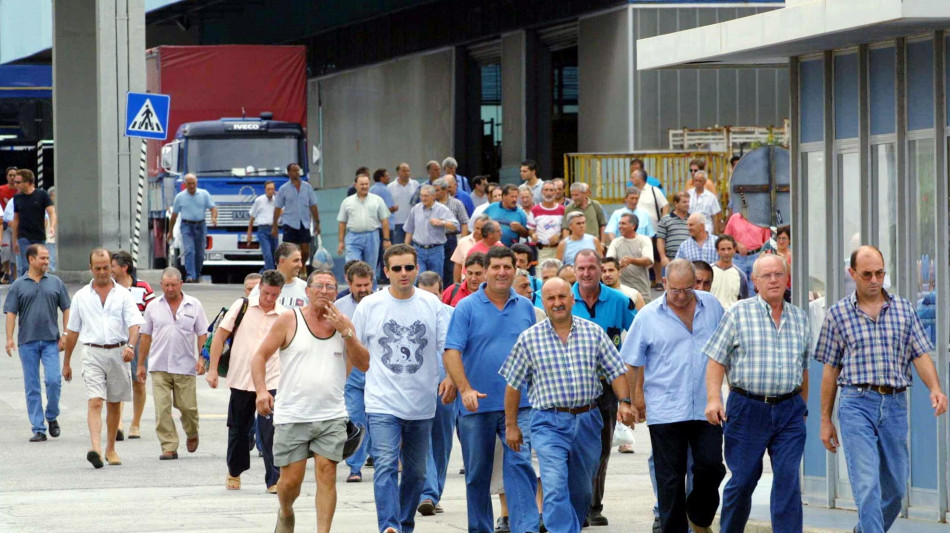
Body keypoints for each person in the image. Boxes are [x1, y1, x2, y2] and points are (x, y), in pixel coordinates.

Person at [814, 246, 948, 533]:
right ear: (852, 273)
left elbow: (920, 354)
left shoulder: (903, 309)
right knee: (866, 485)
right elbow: (830, 369)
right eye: (867, 274)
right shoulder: (838, 314)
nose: (874, 280)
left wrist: (935, 388)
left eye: (879, 273)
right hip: (856, 403)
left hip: (895, 404)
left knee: (896, 489)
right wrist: (825, 419)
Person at [500, 277, 634, 533]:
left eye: (562, 297)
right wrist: (511, 425)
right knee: (554, 483)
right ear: (543, 302)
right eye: (551, 298)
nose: (557, 303)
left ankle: (571, 525)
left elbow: (616, 371)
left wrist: (625, 402)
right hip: (547, 422)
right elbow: (513, 384)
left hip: (588, 420)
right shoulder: (529, 339)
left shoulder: (593, 332)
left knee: (582, 490)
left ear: (572, 299)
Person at [251, 268, 369, 533]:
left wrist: (347, 333)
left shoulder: (344, 324)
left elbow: (364, 363)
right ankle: (286, 511)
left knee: (327, 473)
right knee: (290, 482)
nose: (324, 291)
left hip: (331, 415)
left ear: (336, 293)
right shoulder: (289, 320)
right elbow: (259, 356)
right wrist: (261, 391)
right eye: (319, 286)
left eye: (330, 287)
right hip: (293, 414)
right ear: (307, 291)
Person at [703, 254, 812, 533]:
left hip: (789, 410)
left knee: (788, 481)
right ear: (755, 281)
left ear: (787, 279)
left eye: (779, 274)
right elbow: (715, 359)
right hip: (747, 409)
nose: (773, 280)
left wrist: (802, 407)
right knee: (743, 481)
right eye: (767, 275)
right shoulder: (738, 313)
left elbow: (804, 369)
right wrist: (714, 399)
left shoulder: (800, 318)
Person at [621, 259, 726, 533]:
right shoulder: (648, 316)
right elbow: (631, 362)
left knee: (712, 467)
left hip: (706, 406)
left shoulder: (712, 306)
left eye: (687, 289)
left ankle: (698, 517)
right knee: (670, 480)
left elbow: (727, 347)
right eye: (675, 289)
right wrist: (630, 400)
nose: (680, 296)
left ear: (695, 284)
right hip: (666, 408)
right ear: (664, 283)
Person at [352, 244, 452, 533]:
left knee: (416, 473)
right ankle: (389, 525)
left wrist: (449, 377)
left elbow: (447, 346)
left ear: (417, 268)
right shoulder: (370, 305)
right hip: (382, 402)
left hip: (422, 404)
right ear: (386, 271)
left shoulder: (431, 304)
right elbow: (354, 349)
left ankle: (404, 524)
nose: (403, 273)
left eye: (409, 267)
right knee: (385, 464)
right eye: (397, 268)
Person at [443, 246, 540, 533]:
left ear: (515, 270)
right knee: (477, 475)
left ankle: (525, 528)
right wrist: (465, 389)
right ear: (485, 271)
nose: (501, 272)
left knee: (521, 467)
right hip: (477, 407)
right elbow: (451, 352)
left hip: (520, 406)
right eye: (495, 267)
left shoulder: (525, 307)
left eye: (507, 267)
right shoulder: (466, 307)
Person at [63, 248, 145, 468]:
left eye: (106, 268)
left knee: (114, 403)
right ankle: (96, 449)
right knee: (95, 401)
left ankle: (111, 449)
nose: (102, 272)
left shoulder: (123, 295)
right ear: (90, 268)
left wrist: (131, 346)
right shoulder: (81, 296)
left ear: (112, 268)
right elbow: (73, 331)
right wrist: (66, 362)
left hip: (119, 352)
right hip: (92, 352)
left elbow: (135, 325)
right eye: (97, 268)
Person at [570, 249, 634, 526]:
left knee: (601, 449)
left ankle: (593, 506)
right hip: (570, 386)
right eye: (581, 268)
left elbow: (639, 335)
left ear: (601, 269)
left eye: (591, 268)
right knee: (572, 448)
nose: (586, 273)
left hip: (606, 386)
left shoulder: (619, 301)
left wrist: (631, 394)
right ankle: (576, 505)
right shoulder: (562, 299)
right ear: (574, 271)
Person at [206, 269, 286, 492]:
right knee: (239, 430)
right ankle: (235, 470)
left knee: (270, 430)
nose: (269, 298)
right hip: (241, 379)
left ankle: (274, 479)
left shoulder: (284, 315)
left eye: (274, 294)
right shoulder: (241, 306)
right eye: (266, 293)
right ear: (260, 287)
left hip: (271, 380)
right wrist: (212, 369)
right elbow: (220, 336)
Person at [136, 268, 209, 460]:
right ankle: (168, 445)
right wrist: (141, 364)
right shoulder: (153, 306)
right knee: (162, 409)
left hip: (185, 365)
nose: (170, 289)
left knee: (188, 408)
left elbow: (202, 333)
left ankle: (192, 432)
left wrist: (202, 359)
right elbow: (145, 336)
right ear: (161, 285)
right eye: (166, 285)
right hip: (159, 365)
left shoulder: (194, 305)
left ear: (181, 284)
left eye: (174, 285)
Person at [4, 244, 70, 442]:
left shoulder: (56, 283)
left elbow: (67, 308)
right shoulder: (18, 285)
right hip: (27, 342)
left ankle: (52, 415)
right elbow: (11, 313)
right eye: (42, 258)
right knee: (32, 386)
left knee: (54, 381)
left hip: (51, 341)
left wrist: (65, 333)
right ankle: (38, 428)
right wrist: (9, 338)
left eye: (47, 258)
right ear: (31, 260)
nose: (46, 262)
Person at [415, 271, 457, 516]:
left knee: (441, 442)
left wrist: (454, 378)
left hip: (446, 387)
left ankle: (433, 492)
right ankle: (427, 493)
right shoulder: (410, 316)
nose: (429, 300)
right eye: (424, 294)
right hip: (416, 387)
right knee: (420, 440)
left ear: (441, 293)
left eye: (434, 294)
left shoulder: (453, 315)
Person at [334, 261, 376, 482]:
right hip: (351, 371)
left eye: (367, 285)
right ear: (349, 284)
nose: (363, 289)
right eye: (358, 285)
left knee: (378, 418)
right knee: (356, 416)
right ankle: (355, 467)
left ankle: (380, 457)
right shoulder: (338, 307)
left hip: (377, 371)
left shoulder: (382, 303)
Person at [111, 250, 155, 440]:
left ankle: (135, 423)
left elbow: (152, 314)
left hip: (139, 340)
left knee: (139, 382)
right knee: (118, 382)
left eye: (113, 266)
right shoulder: (111, 288)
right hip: (117, 340)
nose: (110, 270)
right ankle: (118, 423)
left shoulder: (143, 287)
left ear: (124, 267)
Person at [168, 173, 217, 282]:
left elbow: (213, 208)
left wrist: (213, 218)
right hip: (186, 226)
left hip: (200, 225)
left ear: (196, 183)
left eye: (193, 183)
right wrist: (170, 232)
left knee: (200, 252)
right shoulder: (180, 197)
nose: (191, 186)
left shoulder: (204, 194)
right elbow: (174, 216)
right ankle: (190, 275)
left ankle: (197, 274)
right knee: (189, 250)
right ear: (185, 184)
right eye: (189, 183)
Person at [337, 173, 392, 268]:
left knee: (370, 268)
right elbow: (342, 222)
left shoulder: (377, 200)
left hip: (372, 237)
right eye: (362, 184)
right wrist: (341, 241)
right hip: (353, 237)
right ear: (355, 185)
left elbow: (384, 220)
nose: (365, 186)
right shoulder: (347, 202)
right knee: (353, 266)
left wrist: (386, 239)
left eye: (366, 184)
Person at [273, 163, 321, 268]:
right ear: (289, 173)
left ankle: (300, 267)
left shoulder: (307, 187)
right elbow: (277, 208)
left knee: (305, 250)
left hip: (304, 223)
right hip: (289, 223)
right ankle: (290, 269)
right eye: (294, 170)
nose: (297, 173)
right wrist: (275, 225)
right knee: (290, 250)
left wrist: (317, 223)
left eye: (298, 170)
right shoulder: (283, 189)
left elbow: (313, 205)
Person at [403, 184, 458, 276]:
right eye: (421, 195)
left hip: (436, 250)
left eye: (426, 196)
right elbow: (409, 230)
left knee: (435, 278)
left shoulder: (442, 209)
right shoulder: (415, 209)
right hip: (418, 250)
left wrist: (442, 222)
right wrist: (405, 249)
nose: (423, 198)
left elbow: (455, 226)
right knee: (419, 278)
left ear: (433, 196)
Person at [12, 169, 55, 278]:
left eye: (18, 182)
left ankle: (41, 283)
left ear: (27, 183)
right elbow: (16, 219)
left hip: (39, 235)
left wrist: (52, 227)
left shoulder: (42, 195)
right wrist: (14, 239)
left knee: (41, 263)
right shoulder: (17, 198)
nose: (15, 184)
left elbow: (52, 212)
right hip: (23, 236)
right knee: (26, 265)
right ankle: (27, 285)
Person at [606, 213, 655, 300]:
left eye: (623, 223)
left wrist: (631, 260)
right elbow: (608, 262)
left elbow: (648, 260)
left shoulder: (644, 240)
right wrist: (618, 264)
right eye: (619, 223)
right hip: (620, 293)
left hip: (642, 291)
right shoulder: (615, 242)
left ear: (633, 226)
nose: (620, 226)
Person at [722, 212, 771, 295]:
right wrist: (736, 244)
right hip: (738, 258)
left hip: (756, 256)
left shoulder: (761, 219)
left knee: (756, 287)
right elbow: (726, 238)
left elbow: (768, 240)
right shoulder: (734, 218)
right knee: (737, 287)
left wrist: (764, 255)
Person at [251, 243, 309, 309]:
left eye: (300, 260)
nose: (300, 265)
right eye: (296, 261)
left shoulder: (305, 288)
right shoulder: (261, 289)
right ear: (282, 260)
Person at [435, 177, 470, 282]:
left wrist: (463, 241)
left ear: (445, 190)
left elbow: (464, 223)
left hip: (451, 239)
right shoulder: (431, 205)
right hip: (435, 239)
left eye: (437, 190)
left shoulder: (457, 203)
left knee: (450, 268)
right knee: (437, 268)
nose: (434, 193)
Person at [656, 192, 690, 288]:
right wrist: (663, 257)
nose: (687, 204)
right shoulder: (665, 220)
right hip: (670, 261)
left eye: (688, 202)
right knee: (670, 288)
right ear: (676, 203)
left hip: (688, 262)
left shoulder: (692, 219)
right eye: (684, 202)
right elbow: (660, 239)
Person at [529, 181, 566, 263]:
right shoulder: (535, 210)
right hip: (542, 250)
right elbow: (531, 229)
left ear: (555, 192)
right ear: (542, 191)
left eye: (551, 190)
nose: (548, 193)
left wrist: (559, 237)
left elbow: (566, 230)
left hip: (558, 249)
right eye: (546, 190)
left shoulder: (562, 210)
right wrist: (533, 235)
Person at [710, 235, 749, 310]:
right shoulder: (709, 271)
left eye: (729, 249)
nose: (726, 252)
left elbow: (744, 301)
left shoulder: (740, 275)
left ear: (734, 250)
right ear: (717, 251)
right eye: (723, 249)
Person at [247, 181, 279, 270]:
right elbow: (252, 217)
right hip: (263, 230)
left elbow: (282, 211)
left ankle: (263, 273)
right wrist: (249, 234)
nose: (270, 191)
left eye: (272, 189)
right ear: (265, 190)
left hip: (274, 228)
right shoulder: (259, 200)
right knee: (267, 254)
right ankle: (271, 274)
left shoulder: (277, 200)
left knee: (274, 255)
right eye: (268, 189)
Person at [451, 215, 490, 283]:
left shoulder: (495, 244)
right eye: (477, 228)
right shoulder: (463, 242)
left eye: (482, 229)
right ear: (473, 226)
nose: (479, 232)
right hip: (466, 282)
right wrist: (456, 284)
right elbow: (458, 265)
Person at [388, 163, 419, 248]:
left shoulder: (415, 184)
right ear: (398, 172)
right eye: (404, 171)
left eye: (408, 171)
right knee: (398, 247)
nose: (407, 173)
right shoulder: (390, 187)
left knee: (412, 248)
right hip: (397, 222)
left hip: (412, 222)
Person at [686, 170, 721, 236]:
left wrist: (716, 233)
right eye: (696, 180)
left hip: (706, 227)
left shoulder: (711, 197)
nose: (697, 183)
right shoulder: (688, 194)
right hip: (690, 227)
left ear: (704, 182)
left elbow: (715, 216)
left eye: (700, 181)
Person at [1, 167, 17, 282]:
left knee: (15, 249)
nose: (12, 177)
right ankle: (7, 271)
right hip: (5, 224)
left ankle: (15, 275)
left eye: (14, 175)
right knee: (5, 247)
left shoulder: (20, 190)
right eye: (10, 175)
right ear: (7, 177)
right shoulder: (1, 189)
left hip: (17, 224)